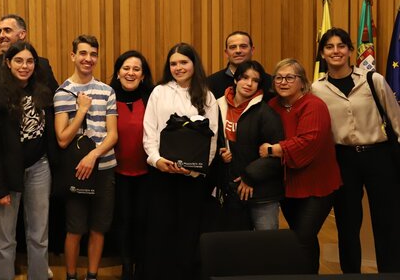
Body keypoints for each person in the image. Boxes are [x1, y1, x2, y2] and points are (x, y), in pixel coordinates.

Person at [312, 28, 400, 273]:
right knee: (347, 223)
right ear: (322, 53)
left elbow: (396, 119)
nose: (336, 51)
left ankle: (391, 273)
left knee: (387, 221)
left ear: (350, 50)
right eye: (329, 47)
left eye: (341, 46)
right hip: (342, 160)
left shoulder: (373, 80)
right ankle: (351, 274)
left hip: (379, 156)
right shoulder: (316, 89)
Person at [0, 41, 56, 280]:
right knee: (4, 240)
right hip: (6, 174)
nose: (24, 66)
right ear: (8, 63)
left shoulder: (43, 93)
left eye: (29, 61)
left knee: (39, 236)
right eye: (19, 61)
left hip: (39, 168)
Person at [142, 42, 218, 280]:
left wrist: (195, 169)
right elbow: (149, 131)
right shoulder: (159, 92)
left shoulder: (207, 96)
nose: (178, 67)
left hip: (192, 178)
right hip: (162, 174)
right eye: (173, 63)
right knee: (161, 230)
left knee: (188, 231)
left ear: (194, 64)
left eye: (184, 62)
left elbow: (212, 138)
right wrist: (156, 160)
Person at [259, 58, 341, 273]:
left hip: (316, 185)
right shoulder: (272, 106)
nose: (283, 82)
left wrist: (273, 149)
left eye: (289, 77)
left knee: (302, 237)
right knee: (302, 238)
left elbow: (308, 142)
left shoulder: (314, 105)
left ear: (302, 82)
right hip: (288, 185)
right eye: (278, 78)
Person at [53, 35, 118, 280]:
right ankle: (71, 276)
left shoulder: (107, 91)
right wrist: (81, 110)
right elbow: (62, 138)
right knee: (75, 229)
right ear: (73, 56)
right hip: (77, 170)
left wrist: (93, 155)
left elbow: (113, 135)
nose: (88, 59)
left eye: (93, 54)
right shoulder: (63, 92)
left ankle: (92, 276)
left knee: (99, 228)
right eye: (83, 53)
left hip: (104, 168)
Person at [214, 60, 284, 231]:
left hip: (263, 193)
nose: (249, 83)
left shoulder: (266, 113)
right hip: (232, 191)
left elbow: (278, 154)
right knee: (238, 243)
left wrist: (249, 176)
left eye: (255, 80)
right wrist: (220, 153)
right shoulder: (217, 106)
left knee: (265, 244)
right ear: (236, 79)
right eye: (245, 78)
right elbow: (213, 141)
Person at [107, 50, 154, 280]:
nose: (130, 73)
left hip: (148, 173)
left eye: (136, 69)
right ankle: (126, 268)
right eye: (126, 68)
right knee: (123, 222)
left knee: (143, 222)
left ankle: (142, 268)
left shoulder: (152, 98)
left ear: (143, 75)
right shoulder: (108, 98)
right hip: (117, 173)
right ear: (118, 72)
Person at [0, 14, 58, 92]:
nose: (1, 36)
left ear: (22, 34)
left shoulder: (42, 65)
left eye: (7, 30)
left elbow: (54, 96)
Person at [207, 31, 272, 99]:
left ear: (252, 50)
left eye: (243, 46)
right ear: (226, 53)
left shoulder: (270, 82)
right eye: (233, 47)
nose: (238, 51)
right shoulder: (210, 83)